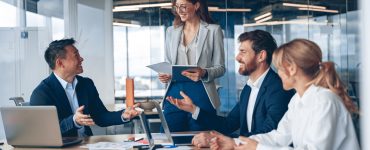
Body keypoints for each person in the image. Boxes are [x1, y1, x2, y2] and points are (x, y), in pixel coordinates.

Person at [209, 39, 360, 150]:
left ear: (292, 69)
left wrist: (257, 148)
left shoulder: (324, 101)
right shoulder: (297, 99)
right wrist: (235, 143)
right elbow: (279, 136)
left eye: (280, 68)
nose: (278, 73)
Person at [167, 30, 295, 148]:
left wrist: (225, 141)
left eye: (243, 52)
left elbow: (269, 132)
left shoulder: (278, 88)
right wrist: (193, 109)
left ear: (261, 56)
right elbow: (227, 124)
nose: (237, 57)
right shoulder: (248, 89)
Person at [30, 38, 141, 137]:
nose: (81, 59)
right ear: (60, 63)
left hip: (87, 144)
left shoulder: (86, 84)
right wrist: (74, 121)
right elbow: (44, 132)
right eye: (76, 55)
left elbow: (100, 116)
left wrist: (123, 115)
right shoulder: (41, 93)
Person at [159, 0, 225, 132]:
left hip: (202, 91)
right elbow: (168, 63)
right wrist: (164, 75)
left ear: (196, 5)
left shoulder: (213, 30)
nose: (179, 10)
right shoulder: (171, 31)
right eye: (177, 7)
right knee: (169, 137)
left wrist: (204, 72)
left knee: (201, 137)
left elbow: (220, 68)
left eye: (183, 6)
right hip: (174, 91)